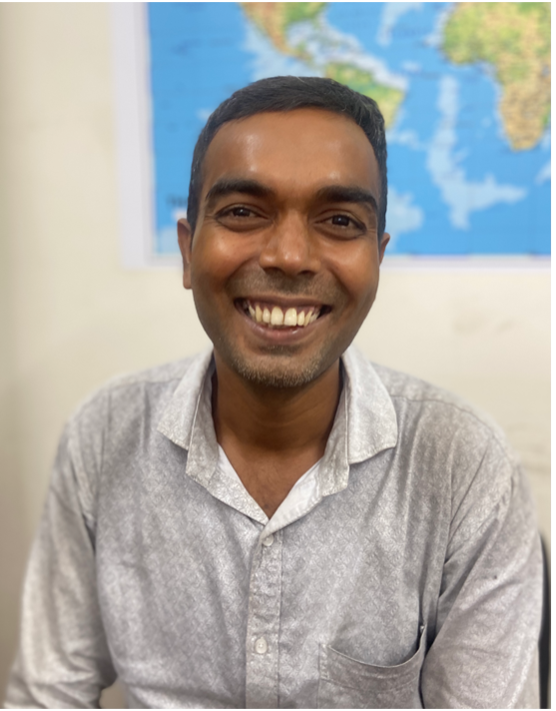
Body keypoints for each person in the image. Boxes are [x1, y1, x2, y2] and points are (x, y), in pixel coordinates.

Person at [5, 77, 542, 710]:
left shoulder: (464, 465)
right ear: (187, 249)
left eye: (340, 220)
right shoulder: (104, 436)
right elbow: (49, 695)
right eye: (242, 212)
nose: (289, 256)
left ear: (378, 257)